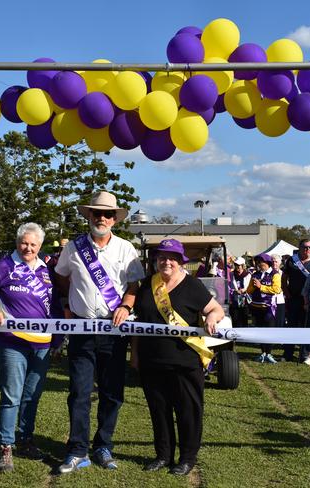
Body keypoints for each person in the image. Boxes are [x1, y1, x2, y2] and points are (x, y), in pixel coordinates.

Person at [54, 191, 145, 473]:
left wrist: (127, 307)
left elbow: (134, 285)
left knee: (112, 391)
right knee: (79, 391)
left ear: (115, 219)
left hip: (112, 329)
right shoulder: (73, 248)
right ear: (89, 216)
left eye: (107, 214)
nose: (102, 218)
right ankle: (77, 449)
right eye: (97, 214)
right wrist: (69, 304)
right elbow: (61, 277)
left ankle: (103, 445)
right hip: (82, 329)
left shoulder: (126, 249)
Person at [131, 239, 223, 476]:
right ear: (156, 260)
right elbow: (139, 323)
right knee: (158, 411)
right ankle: (163, 455)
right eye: (162, 257)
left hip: (185, 362)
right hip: (152, 361)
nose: (167, 261)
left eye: (172, 257)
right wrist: (135, 354)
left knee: (188, 412)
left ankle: (187, 458)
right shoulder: (146, 286)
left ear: (181, 261)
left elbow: (216, 309)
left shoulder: (192, 286)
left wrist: (212, 318)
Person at [0, 223, 63, 472]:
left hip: (43, 344)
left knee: (32, 396)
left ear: (39, 246)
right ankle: (6, 446)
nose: (28, 247)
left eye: (33, 244)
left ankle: (26, 440)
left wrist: (57, 340)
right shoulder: (4, 266)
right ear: (17, 242)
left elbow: (55, 306)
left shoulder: (47, 269)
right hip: (11, 341)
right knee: (12, 395)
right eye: (24, 243)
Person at [281, 239, 310, 362]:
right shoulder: (292, 260)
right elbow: (284, 277)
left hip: (309, 301)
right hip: (294, 298)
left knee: (306, 326)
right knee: (291, 325)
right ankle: (288, 353)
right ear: (300, 248)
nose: (308, 250)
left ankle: (304, 354)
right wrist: (286, 292)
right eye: (305, 247)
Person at [247, 253, 282, 363]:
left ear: (267, 263)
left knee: (269, 331)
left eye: (260, 262)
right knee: (259, 331)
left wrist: (260, 286)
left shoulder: (275, 274)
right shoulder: (255, 274)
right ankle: (262, 353)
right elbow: (249, 290)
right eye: (257, 262)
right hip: (256, 306)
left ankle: (269, 353)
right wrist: (253, 286)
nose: (258, 264)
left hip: (269, 308)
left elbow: (276, 289)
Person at [229, 256, 251, 327]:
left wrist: (244, 290)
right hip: (235, 300)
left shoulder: (248, 275)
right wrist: (235, 291)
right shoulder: (231, 274)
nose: (237, 267)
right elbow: (229, 286)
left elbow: (250, 287)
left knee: (244, 318)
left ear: (243, 266)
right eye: (236, 265)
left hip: (245, 300)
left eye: (239, 265)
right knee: (235, 318)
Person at [271, 254, 286, 329]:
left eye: (276, 262)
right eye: (273, 261)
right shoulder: (268, 273)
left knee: (280, 321)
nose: (274, 263)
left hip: (280, 300)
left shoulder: (283, 274)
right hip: (269, 300)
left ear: (280, 263)